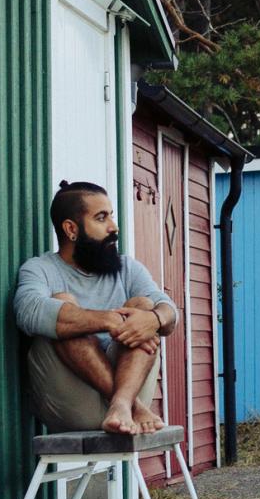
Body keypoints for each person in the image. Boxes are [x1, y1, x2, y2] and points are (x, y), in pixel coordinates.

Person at [13, 181, 179, 435]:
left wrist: (154, 319)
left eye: (111, 216)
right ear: (71, 229)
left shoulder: (127, 269)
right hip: (71, 402)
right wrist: (105, 320)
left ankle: (122, 404)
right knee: (63, 306)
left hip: (125, 393)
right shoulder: (40, 269)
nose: (114, 227)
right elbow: (27, 311)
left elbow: (169, 312)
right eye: (101, 218)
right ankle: (128, 404)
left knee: (144, 307)